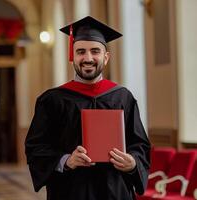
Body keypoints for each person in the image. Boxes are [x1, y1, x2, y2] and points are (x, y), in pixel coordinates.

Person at [25, 16, 151, 200]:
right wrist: (66, 160)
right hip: (70, 192)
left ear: (106, 57)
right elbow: (36, 148)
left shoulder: (123, 97)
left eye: (95, 51)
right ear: (72, 56)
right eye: (81, 51)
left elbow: (140, 145)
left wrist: (132, 163)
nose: (88, 58)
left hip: (116, 192)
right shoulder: (52, 100)